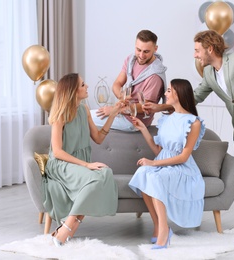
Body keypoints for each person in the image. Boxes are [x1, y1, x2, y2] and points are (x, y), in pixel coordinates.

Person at [144, 30, 234, 238]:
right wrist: (157, 108)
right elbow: (192, 98)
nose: (195, 55)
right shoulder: (209, 74)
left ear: (210, 48)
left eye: (197, 50)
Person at [42, 73, 123, 247]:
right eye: (83, 85)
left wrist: (113, 115)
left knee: (106, 173)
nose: (87, 87)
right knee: (95, 177)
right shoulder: (60, 114)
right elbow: (57, 152)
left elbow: (99, 138)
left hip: (79, 163)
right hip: (62, 164)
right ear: (73, 90)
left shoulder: (84, 109)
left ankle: (66, 227)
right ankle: (68, 229)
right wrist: (87, 164)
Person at [128, 78, 206, 249]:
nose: (165, 93)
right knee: (142, 173)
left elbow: (184, 157)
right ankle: (158, 225)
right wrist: (142, 128)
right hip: (163, 163)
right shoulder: (166, 119)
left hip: (183, 169)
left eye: (169, 90)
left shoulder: (194, 122)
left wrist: (153, 164)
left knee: (155, 178)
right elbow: (159, 150)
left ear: (179, 94)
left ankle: (164, 230)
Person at [90, 29, 167, 131]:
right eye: (138, 50)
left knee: (85, 117)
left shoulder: (155, 76)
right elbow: (116, 84)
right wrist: (121, 95)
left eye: (146, 51)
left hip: (135, 121)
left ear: (155, 49)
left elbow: (145, 107)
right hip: (123, 111)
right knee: (81, 115)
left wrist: (114, 110)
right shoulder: (131, 60)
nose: (141, 55)